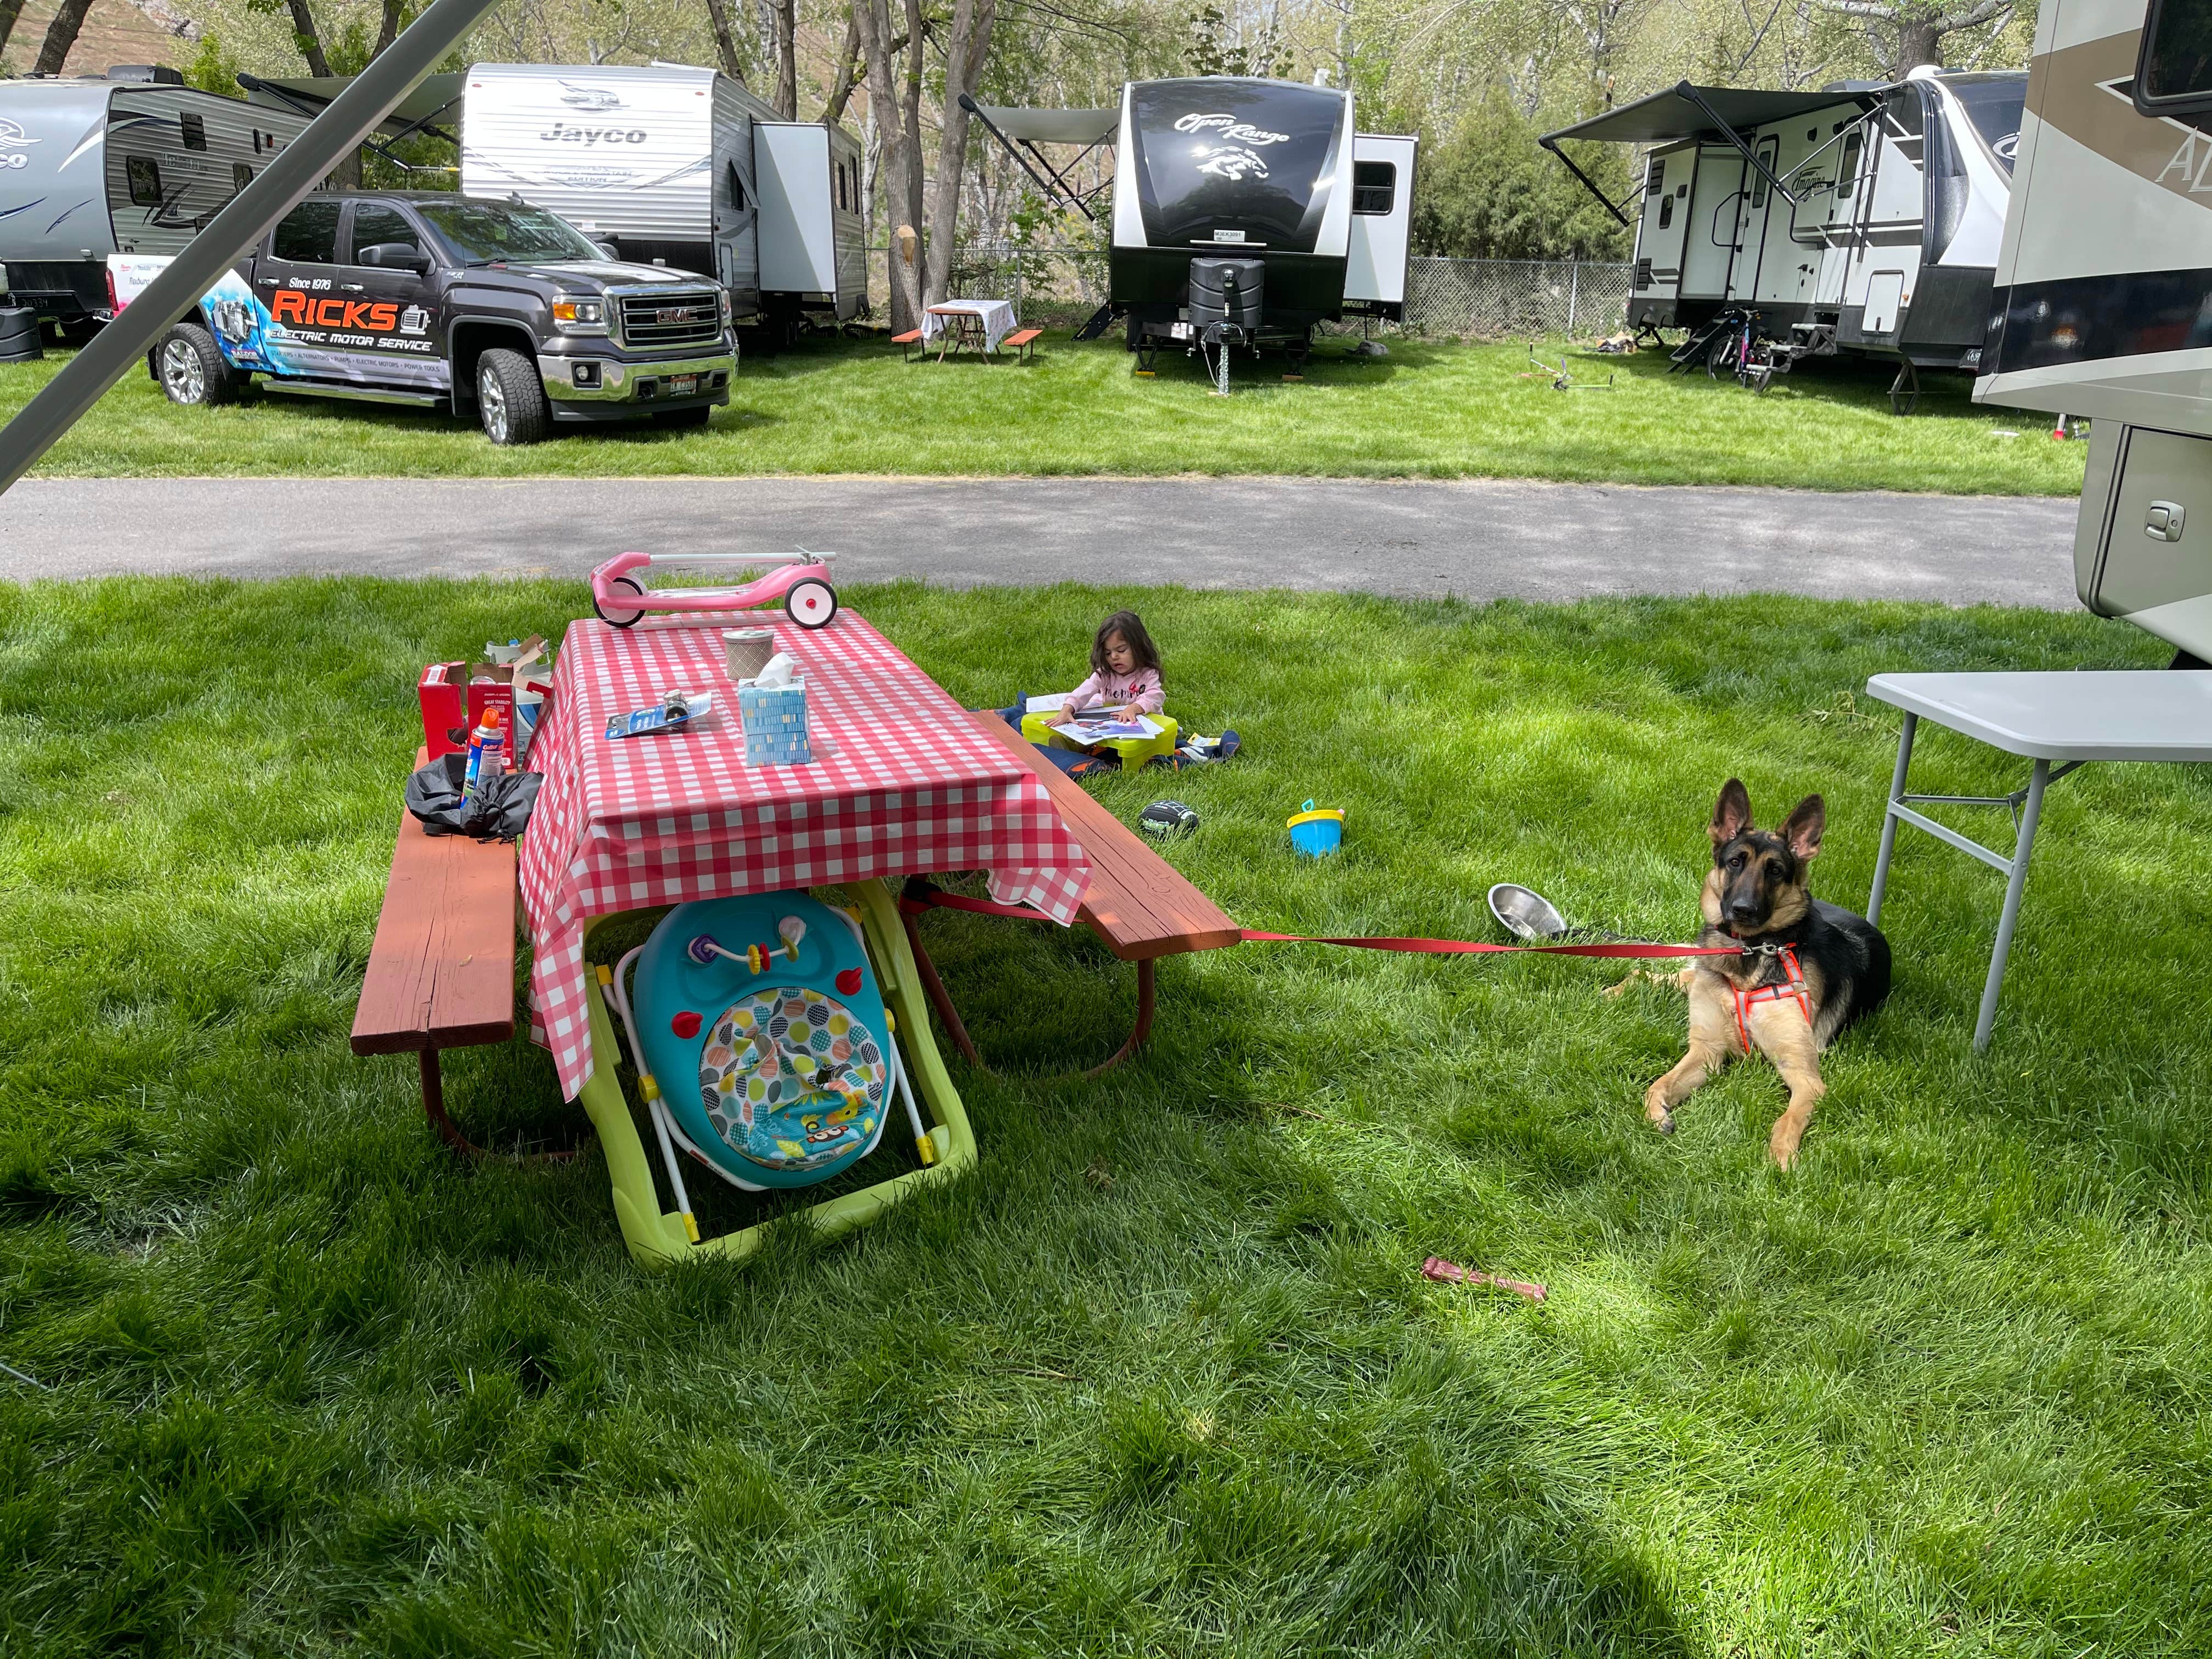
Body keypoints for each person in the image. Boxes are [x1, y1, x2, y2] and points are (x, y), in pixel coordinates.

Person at [1045, 611, 1165, 725]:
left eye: (1121, 650)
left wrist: (1133, 709)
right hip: (1117, 726)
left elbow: (1155, 696)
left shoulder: (1148, 674)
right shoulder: (1105, 673)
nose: (1114, 657)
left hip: (1148, 725)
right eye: (1108, 653)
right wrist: (1067, 709)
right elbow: (1084, 691)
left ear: (1139, 647)